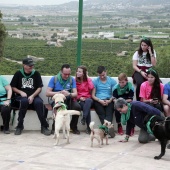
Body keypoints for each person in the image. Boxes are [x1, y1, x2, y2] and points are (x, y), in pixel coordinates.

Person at [10, 58, 50, 136]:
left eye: (32, 65)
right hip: (21, 98)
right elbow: (13, 87)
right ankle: (20, 126)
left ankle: (44, 126)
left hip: (34, 96)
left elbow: (39, 88)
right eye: (29, 65)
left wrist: (32, 96)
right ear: (24, 65)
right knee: (24, 101)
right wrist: (21, 92)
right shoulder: (18, 73)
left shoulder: (36, 74)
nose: (31, 66)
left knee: (39, 103)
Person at [46, 64, 81, 134]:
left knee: (77, 107)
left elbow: (75, 94)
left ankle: (73, 127)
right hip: (57, 99)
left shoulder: (72, 80)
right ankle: (54, 127)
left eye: (69, 74)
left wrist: (69, 94)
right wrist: (59, 93)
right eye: (65, 74)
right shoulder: (54, 79)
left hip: (68, 99)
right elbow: (47, 93)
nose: (67, 76)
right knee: (59, 107)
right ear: (61, 72)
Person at [75, 65, 94, 134]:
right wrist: (79, 97)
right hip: (80, 100)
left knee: (88, 101)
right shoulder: (75, 80)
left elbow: (91, 87)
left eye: (80, 72)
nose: (77, 73)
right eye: (77, 71)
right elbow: (74, 93)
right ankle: (89, 128)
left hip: (88, 99)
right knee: (87, 108)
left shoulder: (88, 80)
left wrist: (87, 77)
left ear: (84, 73)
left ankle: (84, 118)